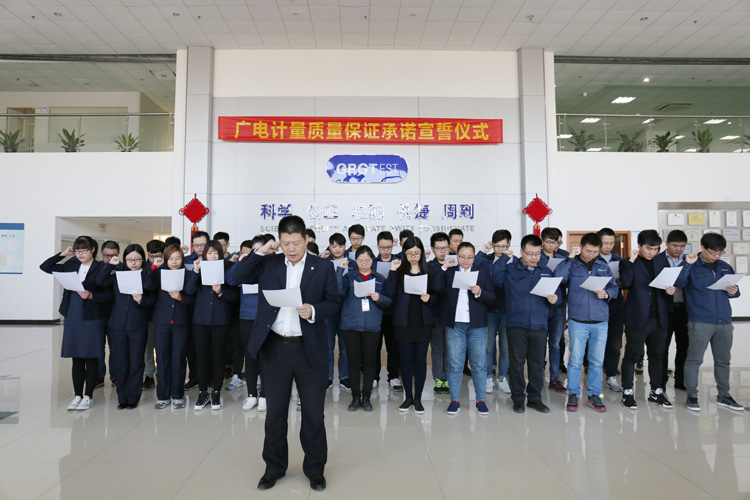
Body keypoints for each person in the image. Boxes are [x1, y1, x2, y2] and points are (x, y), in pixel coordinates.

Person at [231, 215, 341, 492]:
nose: (291, 248)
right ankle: (274, 468)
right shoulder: (268, 263)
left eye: (296, 243)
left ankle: (315, 469)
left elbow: (334, 301)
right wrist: (259, 252)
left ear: (306, 240)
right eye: (285, 243)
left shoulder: (323, 266)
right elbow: (236, 276)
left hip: (310, 350)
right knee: (275, 415)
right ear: (278, 241)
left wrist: (314, 310)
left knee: (313, 414)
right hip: (276, 349)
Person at [40, 236, 112, 411]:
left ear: (92, 250)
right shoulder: (71, 264)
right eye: (77, 251)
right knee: (76, 357)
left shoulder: (101, 267)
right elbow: (45, 267)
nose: (80, 254)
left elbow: (109, 295)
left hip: (92, 317)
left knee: (91, 357)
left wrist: (92, 295)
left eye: (84, 251)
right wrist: (63, 254)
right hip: (73, 315)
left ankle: (88, 396)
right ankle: (77, 395)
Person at [674, 233, 744, 412]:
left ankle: (724, 395)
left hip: (724, 321)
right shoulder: (690, 265)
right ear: (703, 248)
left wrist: (734, 291)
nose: (716, 256)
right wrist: (687, 265)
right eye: (713, 252)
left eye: (720, 252)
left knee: (723, 360)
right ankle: (692, 395)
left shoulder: (725, 267)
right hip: (700, 321)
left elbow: (735, 292)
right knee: (694, 359)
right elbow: (679, 283)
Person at [492, 234, 560, 414]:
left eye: (537, 254)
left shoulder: (546, 271)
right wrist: (503, 258)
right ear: (522, 251)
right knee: (516, 363)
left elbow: (557, 295)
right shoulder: (510, 269)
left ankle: (535, 399)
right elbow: (495, 279)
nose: (534, 257)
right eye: (530, 253)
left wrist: (555, 299)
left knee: (537, 364)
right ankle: (518, 399)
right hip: (516, 323)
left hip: (539, 324)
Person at [555, 233, 618, 412]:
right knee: (575, 360)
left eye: (595, 252)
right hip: (578, 320)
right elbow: (559, 278)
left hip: (600, 320)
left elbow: (613, 288)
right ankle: (573, 394)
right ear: (581, 247)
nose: (591, 255)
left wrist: (606, 294)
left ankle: (594, 395)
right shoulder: (572, 264)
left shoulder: (602, 266)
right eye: (588, 251)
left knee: (597, 361)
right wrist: (568, 259)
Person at [619, 229, 679, 409]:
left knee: (657, 356)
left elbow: (666, 286)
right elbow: (626, 283)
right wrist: (631, 262)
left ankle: (656, 392)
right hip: (637, 317)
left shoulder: (662, 263)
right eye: (649, 248)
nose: (652, 252)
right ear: (639, 246)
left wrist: (670, 290)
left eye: (656, 249)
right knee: (632, 355)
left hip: (659, 317)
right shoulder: (628, 262)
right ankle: (627, 392)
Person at [438, 242, 495, 415]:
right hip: (455, 324)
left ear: (474, 257)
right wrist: (443, 268)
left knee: (479, 364)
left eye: (470, 257)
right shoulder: (450, 272)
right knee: (455, 364)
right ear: (457, 256)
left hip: (477, 325)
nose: (465, 260)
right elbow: (436, 288)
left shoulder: (482, 272)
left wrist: (479, 292)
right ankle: (454, 400)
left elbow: (492, 297)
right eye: (462, 257)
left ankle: (480, 400)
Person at [96, 243, 155, 409]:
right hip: (117, 325)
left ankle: (133, 397)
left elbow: (153, 300)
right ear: (124, 260)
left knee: (136, 362)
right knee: (120, 363)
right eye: (130, 260)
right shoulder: (118, 274)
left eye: (137, 259)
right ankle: (122, 397)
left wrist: (142, 300)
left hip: (138, 325)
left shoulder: (148, 276)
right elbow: (100, 281)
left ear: (143, 260)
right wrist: (110, 265)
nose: (133, 263)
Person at [384, 237, 439, 414]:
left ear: (422, 253)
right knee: (405, 361)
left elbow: (439, 294)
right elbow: (389, 293)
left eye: (416, 253)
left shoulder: (429, 270)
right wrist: (392, 271)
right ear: (404, 253)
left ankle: (418, 399)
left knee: (420, 361)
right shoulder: (399, 271)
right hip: (403, 323)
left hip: (423, 323)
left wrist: (430, 298)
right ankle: (408, 397)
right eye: (409, 253)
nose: (413, 256)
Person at [336, 245, 392, 412]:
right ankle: (355, 397)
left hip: (372, 326)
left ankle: (366, 397)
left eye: (367, 260)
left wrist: (379, 297)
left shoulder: (379, 278)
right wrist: (340, 270)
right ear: (356, 261)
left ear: (372, 260)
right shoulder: (349, 277)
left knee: (369, 362)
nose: (364, 264)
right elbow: (338, 293)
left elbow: (389, 301)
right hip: (350, 326)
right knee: (353, 362)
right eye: (361, 261)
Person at [185, 240, 239, 410]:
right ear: (204, 255)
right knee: (201, 357)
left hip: (221, 320)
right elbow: (188, 291)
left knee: (218, 357)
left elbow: (235, 296)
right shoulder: (198, 270)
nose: (213, 256)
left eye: (216, 253)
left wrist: (221, 292)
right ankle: (203, 393)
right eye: (210, 253)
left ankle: (216, 392)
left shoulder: (228, 269)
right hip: (200, 320)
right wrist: (195, 271)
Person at [144, 244, 193, 409]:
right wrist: (153, 267)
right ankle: (163, 396)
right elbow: (147, 286)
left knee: (179, 359)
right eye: (171, 258)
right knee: (162, 359)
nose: (174, 261)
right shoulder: (158, 272)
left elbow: (193, 298)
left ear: (182, 259)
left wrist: (181, 298)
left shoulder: (188, 274)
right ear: (165, 259)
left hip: (181, 322)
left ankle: (177, 395)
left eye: (177, 258)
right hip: (161, 322)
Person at [226, 237, 267, 412]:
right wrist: (240, 262)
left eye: (260, 250)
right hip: (246, 316)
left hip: (265, 317)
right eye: (254, 251)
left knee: (265, 357)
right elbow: (230, 280)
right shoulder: (245, 268)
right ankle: (251, 395)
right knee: (250, 356)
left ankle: (264, 395)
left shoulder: (269, 267)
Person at [476, 229, 513, 395]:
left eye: (504, 246)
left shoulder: (513, 261)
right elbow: (474, 266)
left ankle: (502, 378)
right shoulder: (486, 260)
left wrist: (506, 258)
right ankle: (488, 377)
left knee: (505, 347)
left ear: (509, 244)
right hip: (489, 309)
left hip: (507, 310)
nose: (500, 250)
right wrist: (483, 251)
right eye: (497, 246)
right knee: (488, 347)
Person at [656, 230, 689, 392]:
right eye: (675, 245)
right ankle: (661, 381)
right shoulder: (657, 260)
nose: (679, 249)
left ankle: (681, 380)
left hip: (684, 309)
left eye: (682, 246)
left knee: (684, 346)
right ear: (667, 243)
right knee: (662, 347)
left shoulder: (689, 261)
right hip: (665, 309)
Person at [540, 227, 568, 393]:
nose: (552, 245)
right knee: (540, 342)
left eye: (556, 242)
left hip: (558, 305)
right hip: (541, 304)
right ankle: (539, 375)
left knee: (556, 343)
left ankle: (555, 378)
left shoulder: (564, 256)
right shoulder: (536, 255)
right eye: (549, 242)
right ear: (542, 241)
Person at [597, 227, 625, 392]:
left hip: (615, 305)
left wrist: (620, 281)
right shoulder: (592, 259)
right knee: (595, 342)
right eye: (605, 243)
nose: (608, 246)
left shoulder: (619, 260)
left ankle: (611, 375)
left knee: (615, 343)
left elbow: (626, 282)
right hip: (597, 304)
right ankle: (593, 370)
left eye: (611, 243)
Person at [374, 231, 401, 391]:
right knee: (374, 347)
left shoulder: (398, 261)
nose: (386, 250)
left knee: (393, 347)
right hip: (376, 310)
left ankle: (393, 377)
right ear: (377, 246)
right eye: (383, 247)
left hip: (393, 311)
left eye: (389, 247)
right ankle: (374, 378)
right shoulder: (372, 262)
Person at [323, 233, 351, 391]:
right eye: (334, 246)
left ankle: (344, 377)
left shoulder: (351, 263)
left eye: (340, 246)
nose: (337, 249)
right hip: (328, 310)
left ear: (345, 247)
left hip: (346, 309)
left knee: (345, 347)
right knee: (328, 347)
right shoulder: (323, 263)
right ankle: (327, 378)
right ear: (330, 247)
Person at [427, 232, 450, 394]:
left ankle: (448, 378)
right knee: (437, 349)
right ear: (433, 249)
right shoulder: (428, 267)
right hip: (435, 314)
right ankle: (439, 379)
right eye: (439, 248)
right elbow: (434, 287)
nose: (443, 251)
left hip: (452, 314)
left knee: (450, 349)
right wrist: (443, 269)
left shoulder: (455, 264)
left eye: (445, 248)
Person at [143, 239, 165, 391]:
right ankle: (149, 374)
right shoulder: (145, 267)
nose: (155, 259)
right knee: (148, 347)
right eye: (151, 256)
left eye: (158, 256)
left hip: (164, 312)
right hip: (148, 313)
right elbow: (146, 286)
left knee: (163, 347)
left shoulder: (168, 266)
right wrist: (153, 267)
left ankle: (163, 373)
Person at [97, 240, 120, 388]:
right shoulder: (97, 267)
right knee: (98, 348)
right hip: (98, 313)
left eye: (113, 256)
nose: (110, 259)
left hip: (115, 313)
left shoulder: (122, 267)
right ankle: (99, 376)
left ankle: (115, 376)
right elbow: (99, 282)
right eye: (107, 256)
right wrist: (109, 266)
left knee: (115, 348)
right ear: (101, 253)